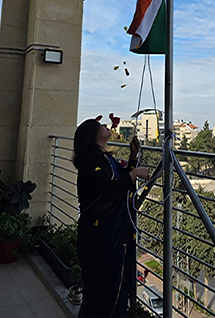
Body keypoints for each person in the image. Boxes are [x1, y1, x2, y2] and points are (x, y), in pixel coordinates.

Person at [73, 119, 152, 317]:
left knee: (110, 290)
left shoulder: (104, 158)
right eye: (100, 126)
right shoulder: (91, 161)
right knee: (100, 294)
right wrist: (134, 173)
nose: (106, 126)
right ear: (93, 135)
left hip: (107, 234)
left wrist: (133, 158)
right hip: (99, 237)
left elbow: (119, 180)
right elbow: (107, 189)